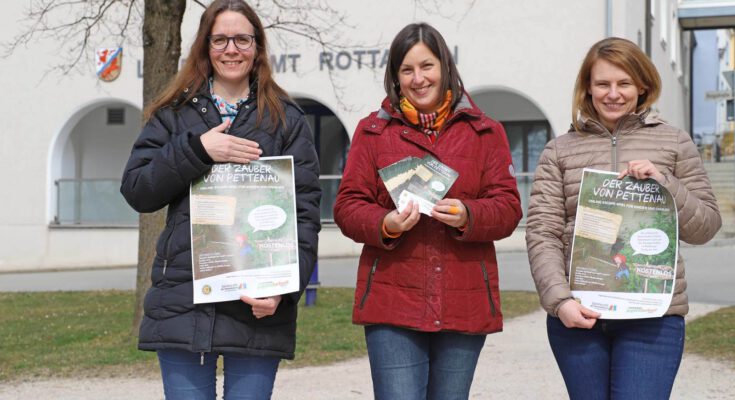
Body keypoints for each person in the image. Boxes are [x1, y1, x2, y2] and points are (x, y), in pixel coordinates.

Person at [120, 1, 321, 398]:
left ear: (258, 47)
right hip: (184, 302)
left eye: (242, 39)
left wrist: (284, 289)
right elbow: (138, 189)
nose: (232, 49)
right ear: (205, 48)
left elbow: (305, 213)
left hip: (256, 306)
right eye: (221, 39)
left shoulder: (286, 120)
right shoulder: (173, 115)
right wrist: (198, 149)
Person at [333, 22, 522, 400]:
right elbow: (347, 206)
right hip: (392, 301)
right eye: (407, 70)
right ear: (395, 77)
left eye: (427, 66)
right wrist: (384, 223)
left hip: (463, 298)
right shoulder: (373, 133)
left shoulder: (486, 132)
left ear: (445, 68)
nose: (418, 79)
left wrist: (470, 215)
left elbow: (509, 207)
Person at [526, 37, 721, 399]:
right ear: (587, 87)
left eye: (624, 83)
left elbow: (706, 227)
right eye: (602, 83)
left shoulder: (674, 143)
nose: (613, 93)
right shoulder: (559, 150)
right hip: (578, 315)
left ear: (642, 85)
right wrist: (560, 301)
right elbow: (542, 233)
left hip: (653, 318)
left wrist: (666, 183)